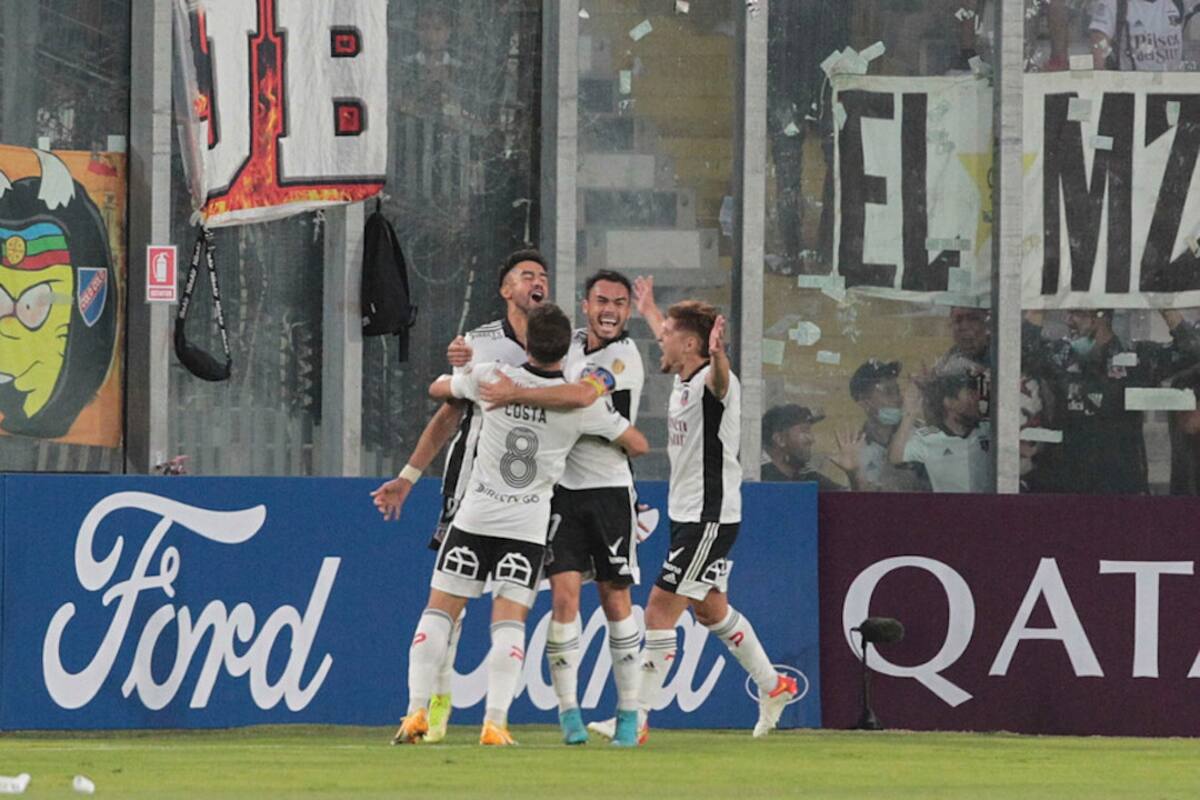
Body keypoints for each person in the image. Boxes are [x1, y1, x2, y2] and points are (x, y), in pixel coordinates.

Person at [391, 304, 649, 747]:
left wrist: (462, 372)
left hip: (475, 517)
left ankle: (416, 710)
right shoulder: (580, 405)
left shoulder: (491, 377)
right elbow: (637, 444)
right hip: (525, 528)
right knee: (508, 623)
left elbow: (439, 389)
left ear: (526, 342)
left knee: (439, 613)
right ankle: (495, 722)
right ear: (565, 350)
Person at [370, 248, 549, 742]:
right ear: (506, 289)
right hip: (470, 487)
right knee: (458, 604)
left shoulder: (562, 343)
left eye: (542, 276)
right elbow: (447, 410)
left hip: (534, 496)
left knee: (514, 605)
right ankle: (439, 702)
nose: (537, 281)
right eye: (526, 275)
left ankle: (492, 715)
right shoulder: (479, 344)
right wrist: (408, 477)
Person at [1023, 308, 1200, 494]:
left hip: (1120, 484)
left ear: (1100, 315)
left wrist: (1166, 306)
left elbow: (1191, 350)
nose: (1068, 320)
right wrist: (1040, 305)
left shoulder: (1136, 358)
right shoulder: (1061, 356)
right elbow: (1020, 350)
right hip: (1065, 483)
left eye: (1077, 313)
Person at [889, 371, 993, 493]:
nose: (977, 398)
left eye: (975, 393)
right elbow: (895, 457)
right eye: (970, 394)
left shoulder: (988, 429)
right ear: (950, 403)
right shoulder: (928, 438)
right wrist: (910, 414)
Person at [847, 359, 931, 492]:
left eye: (897, 391)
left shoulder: (919, 434)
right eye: (888, 392)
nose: (898, 399)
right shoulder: (857, 449)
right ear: (865, 403)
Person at [1090, 0, 1200, 71]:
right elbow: (1099, 42)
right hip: (1131, 89)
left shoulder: (1178, 3)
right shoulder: (1114, 4)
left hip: (1174, 88)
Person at [760, 404, 850, 490]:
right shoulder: (759, 478)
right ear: (780, 439)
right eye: (804, 431)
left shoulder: (806, 476)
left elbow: (846, 499)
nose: (812, 439)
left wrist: (853, 472)